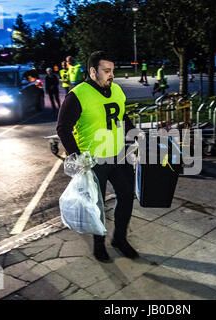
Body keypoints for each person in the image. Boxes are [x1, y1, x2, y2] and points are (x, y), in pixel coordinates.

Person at [57, 51, 139, 263]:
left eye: (113, 70)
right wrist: (77, 156)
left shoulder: (117, 90)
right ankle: (99, 245)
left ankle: (119, 239)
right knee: (97, 205)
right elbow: (63, 127)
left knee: (127, 196)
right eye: (106, 71)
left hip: (118, 155)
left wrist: (136, 135)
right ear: (93, 71)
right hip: (93, 160)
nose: (112, 75)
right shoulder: (78, 94)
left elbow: (121, 115)